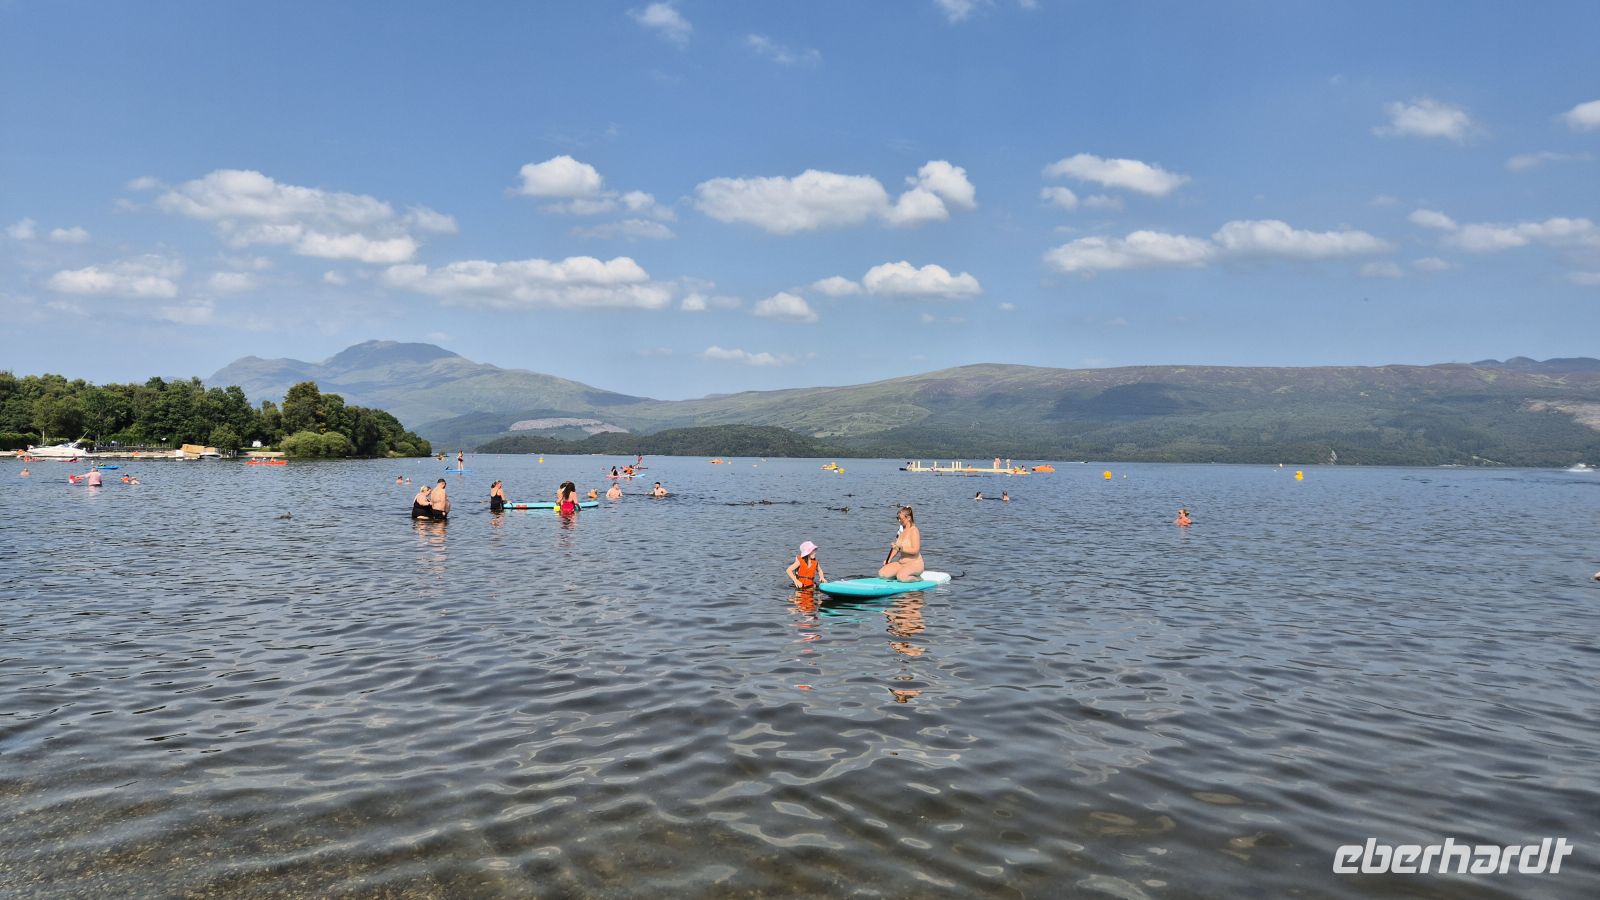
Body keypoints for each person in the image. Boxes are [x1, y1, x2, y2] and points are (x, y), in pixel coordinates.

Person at [879, 506, 925, 582]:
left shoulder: (914, 530)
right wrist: (888, 560)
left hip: (915, 564)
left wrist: (900, 549)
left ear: (908, 518)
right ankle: (900, 573)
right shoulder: (902, 531)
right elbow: (895, 548)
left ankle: (917, 579)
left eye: (901, 518)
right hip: (901, 563)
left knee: (902, 577)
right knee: (882, 573)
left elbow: (915, 550)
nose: (899, 520)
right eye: (898, 518)